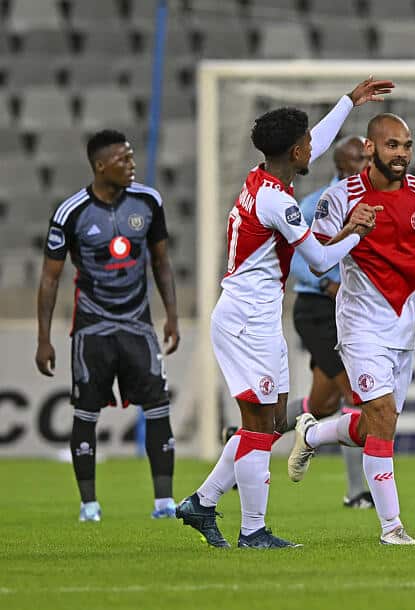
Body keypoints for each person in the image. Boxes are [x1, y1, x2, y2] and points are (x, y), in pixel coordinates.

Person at [175, 77, 393, 550]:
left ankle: (202, 503)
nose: (313, 147)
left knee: (272, 424)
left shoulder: (264, 177)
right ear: (295, 152)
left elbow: (318, 141)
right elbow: (320, 261)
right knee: (259, 428)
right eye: (307, 143)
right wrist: (357, 231)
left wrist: (349, 101)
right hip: (246, 320)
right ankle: (253, 531)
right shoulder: (279, 202)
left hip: (258, 316)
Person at [287, 113, 415, 545]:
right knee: (382, 416)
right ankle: (392, 528)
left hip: (403, 329)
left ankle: (312, 432)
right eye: (392, 145)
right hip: (359, 325)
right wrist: (351, 229)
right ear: (370, 148)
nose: (401, 153)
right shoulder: (339, 198)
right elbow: (317, 260)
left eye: (407, 145)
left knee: (373, 427)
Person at [36, 129, 180, 522]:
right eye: (123, 159)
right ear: (100, 166)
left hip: (137, 325)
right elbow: (49, 278)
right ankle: (89, 506)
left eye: (131, 157)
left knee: (157, 406)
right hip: (92, 327)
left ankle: (164, 503)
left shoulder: (148, 202)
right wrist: (44, 339)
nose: (131, 165)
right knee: (86, 410)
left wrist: (171, 315)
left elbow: (161, 262)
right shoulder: (71, 213)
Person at [288, 136, 373, 508]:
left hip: (350, 310)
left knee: (321, 403)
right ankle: (356, 493)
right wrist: (326, 283)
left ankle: (248, 433)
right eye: (360, 159)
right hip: (318, 309)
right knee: (355, 394)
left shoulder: (374, 198)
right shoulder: (317, 203)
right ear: (343, 165)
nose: (367, 164)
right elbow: (292, 254)